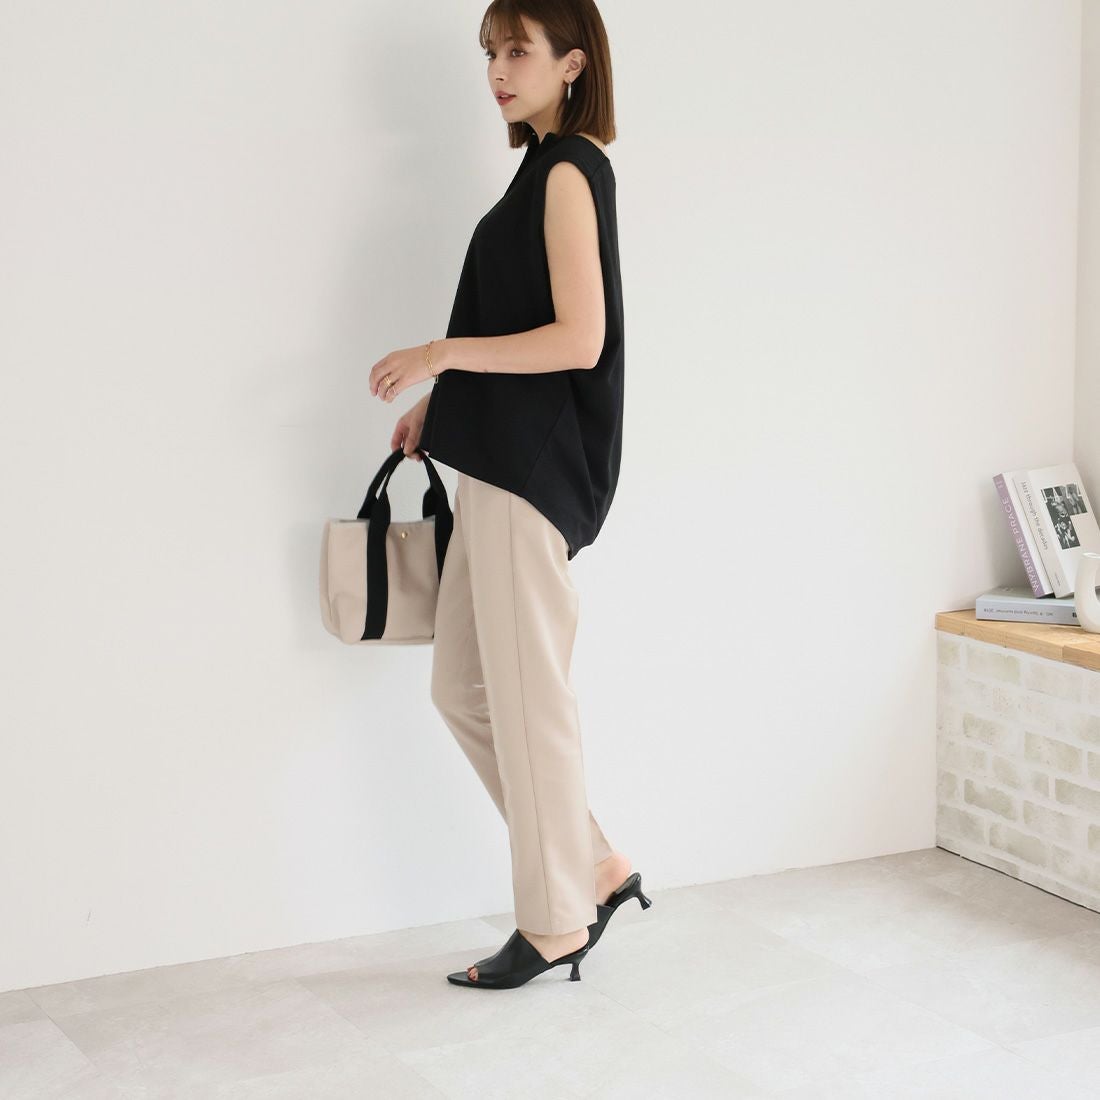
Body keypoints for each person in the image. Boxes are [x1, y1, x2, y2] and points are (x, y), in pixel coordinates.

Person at [366, 0, 650, 990]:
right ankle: (595, 867)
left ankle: (555, 923)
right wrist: (439, 405)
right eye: (490, 50)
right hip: (495, 463)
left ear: (572, 63)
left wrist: (439, 353)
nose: (497, 67)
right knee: (463, 687)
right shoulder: (536, 171)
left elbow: (579, 338)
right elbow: (524, 325)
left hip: (531, 476)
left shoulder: (570, 169)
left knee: (531, 701)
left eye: (518, 49)